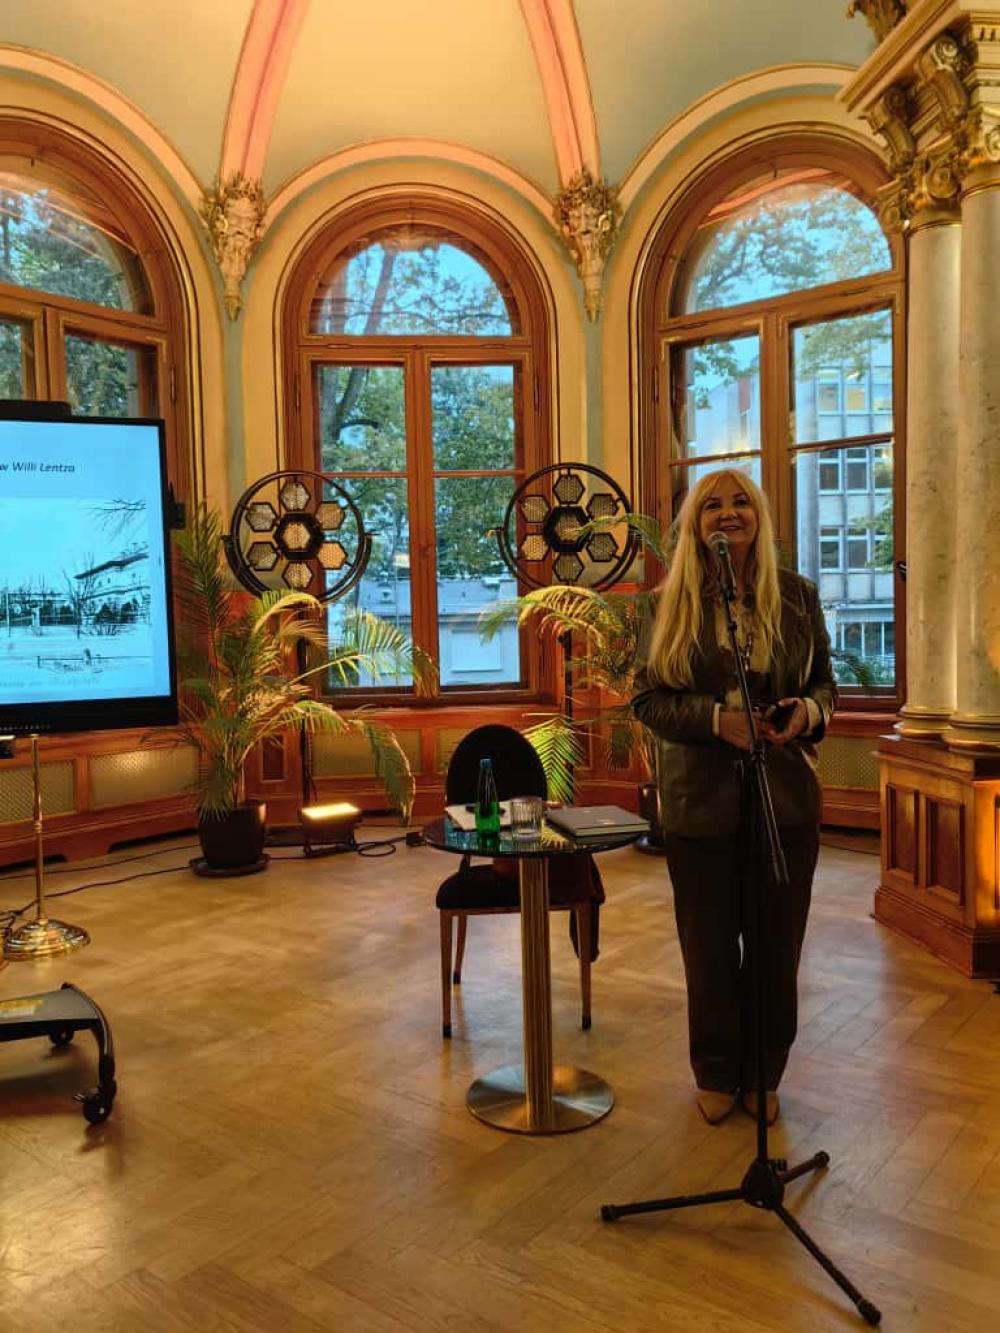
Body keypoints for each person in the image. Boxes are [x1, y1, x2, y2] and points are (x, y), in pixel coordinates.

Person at [631, 468, 836, 1126]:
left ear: (760, 516)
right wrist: (715, 719)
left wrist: (805, 712)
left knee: (777, 948)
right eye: (712, 505)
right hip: (700, 804)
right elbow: (647, 700)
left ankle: (764, 1070)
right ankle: (717, 1069)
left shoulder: (798, 598)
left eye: (741, 501)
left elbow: (826, 686)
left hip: (785, 803)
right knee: (710, 948)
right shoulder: (663, 605)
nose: (728, 513)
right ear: (695, 525)